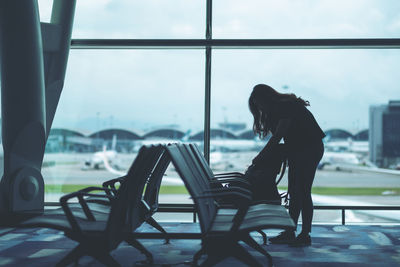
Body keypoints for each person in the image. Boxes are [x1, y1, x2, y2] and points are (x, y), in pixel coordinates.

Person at [248, 84, 325, 246]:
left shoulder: (286, 106)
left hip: (309, 148)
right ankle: (292, 231)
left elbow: (279, 135)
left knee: (302, 191)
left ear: (266, 98)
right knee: (295, 191)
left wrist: (260, 157)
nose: (259, 107)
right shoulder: (279, 109)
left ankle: (304, 234)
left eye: (259, 103)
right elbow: (282, 137)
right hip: (298, 149)